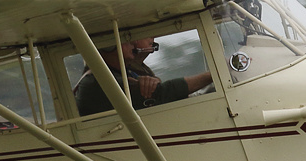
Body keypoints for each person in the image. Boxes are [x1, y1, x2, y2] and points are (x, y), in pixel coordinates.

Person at [73, 37, 211, 115]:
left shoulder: (118, 74)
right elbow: (160, 93)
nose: (133, 42)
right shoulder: (97, 81)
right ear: (108, 46)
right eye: (125, 39)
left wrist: (151, 81)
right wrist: (211, 76)